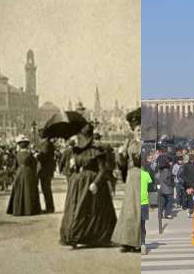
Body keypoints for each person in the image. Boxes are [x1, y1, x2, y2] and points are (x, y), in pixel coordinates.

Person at [60, 122, 117, 247]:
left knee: (90, 209)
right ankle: (74, 235)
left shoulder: (96, 151)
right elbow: (71, 168)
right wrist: (73, 165)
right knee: (76, 208)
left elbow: (103, 169)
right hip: (78, 183)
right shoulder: (76, 151)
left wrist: (96, 183)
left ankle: (92, 237)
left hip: (91, 182)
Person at [112, 108, 142, 252]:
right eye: (137, 130)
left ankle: (138, 241)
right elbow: (123, 164)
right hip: (131, 178)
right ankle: (127, 241)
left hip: (142, 177)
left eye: (142, 129)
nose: (139, 132)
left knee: (139, 210)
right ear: (133, 130)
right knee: (129, 210)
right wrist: (121, 155)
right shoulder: (130, 142)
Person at [7, 135, 41, 216]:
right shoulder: (29, 155)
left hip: (19, 173)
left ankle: (18, 209)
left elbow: (14, 166)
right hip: (28, 172)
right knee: (29, 190)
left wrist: (9, 172)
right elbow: (34, 164)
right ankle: (30, 209)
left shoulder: (17, 155)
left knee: (19, 190)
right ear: (27, 145)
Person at [35, 132, 56, 213]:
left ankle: (49, 208)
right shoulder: (48, 143)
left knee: (46, 189)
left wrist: (37, 155)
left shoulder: (45, 144)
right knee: (46, 189)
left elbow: (43, 157)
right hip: (47, 170)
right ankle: (49, 207)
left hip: (45, 170)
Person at [140, 164, 152, 255]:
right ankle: (142, 243)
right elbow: (151, 187)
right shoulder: (146, 174)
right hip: (144, 203)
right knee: (142, 224)